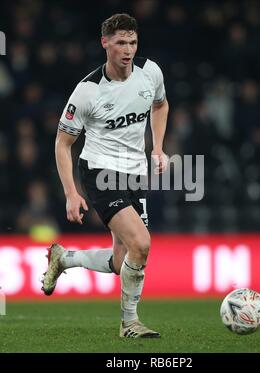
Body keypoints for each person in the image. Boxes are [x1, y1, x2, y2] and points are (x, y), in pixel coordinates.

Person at [41, 13, 169, 338]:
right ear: (105, 44)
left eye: (133, 42)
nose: (128, 50)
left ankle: (64, 259)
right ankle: (129, 323)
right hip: (100, 171)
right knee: (141, 245)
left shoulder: (150, 73)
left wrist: (157, 148)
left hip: (135, 172)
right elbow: (62, 143)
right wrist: (71, 192)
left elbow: (161, 105)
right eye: (121, 43)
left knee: (121, 260)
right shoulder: (88, 91)